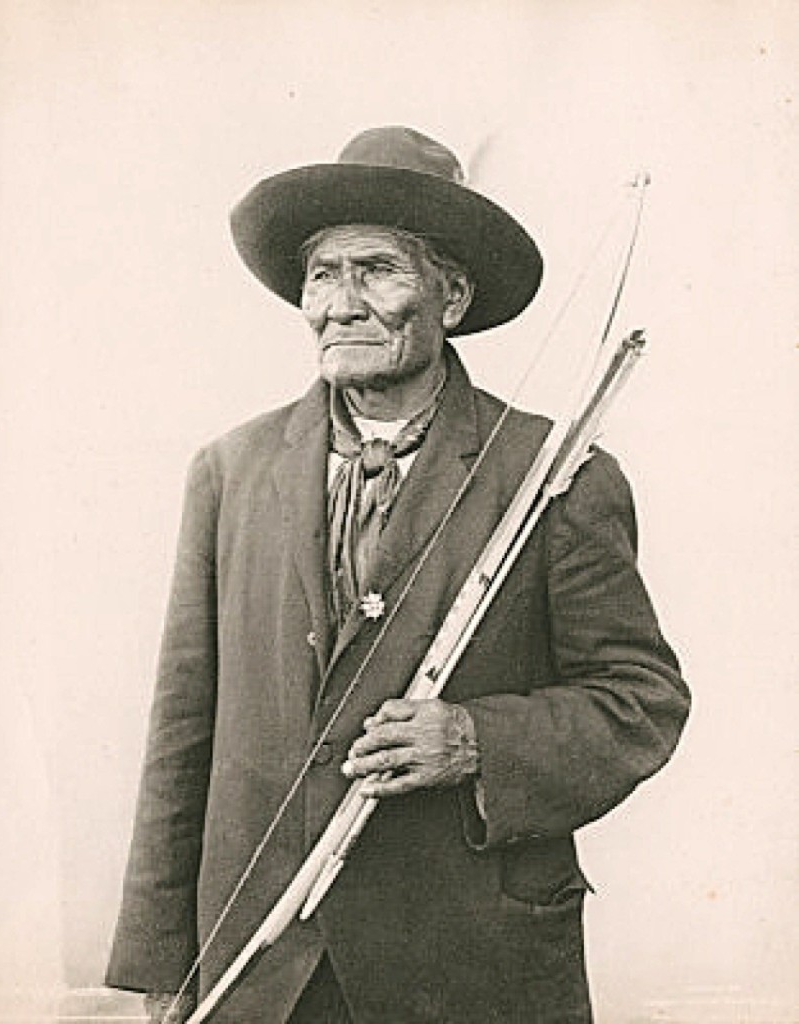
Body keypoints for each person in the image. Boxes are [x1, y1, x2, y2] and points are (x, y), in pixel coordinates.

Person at [106, 126, 690, 1024]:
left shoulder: (554, 470)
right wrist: (162, 967)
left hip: (467, 968)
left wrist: (475, 739)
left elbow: (640, 700)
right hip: (261, 969)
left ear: (451, 296)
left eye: (375, 270)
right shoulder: (230, 471)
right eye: (321, 275)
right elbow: (182, 736)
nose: (339, 303)